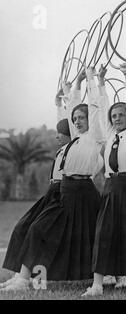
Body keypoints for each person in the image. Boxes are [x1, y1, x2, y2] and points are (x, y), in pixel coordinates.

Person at [0, 67, 104, 291]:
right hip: (66, 191)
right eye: (75, 119)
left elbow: (95, 108)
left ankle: (25, 279)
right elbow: (69, 115)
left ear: (91, 121)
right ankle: (23, 278)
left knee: (46, 231)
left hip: (82, 193)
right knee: (35, 230)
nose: (76, 121)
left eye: (81, 118)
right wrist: (75, 86)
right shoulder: (75, 140)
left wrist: (92, 81)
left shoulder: (95, 137)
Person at [81, 63, 126, 296]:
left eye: (121, 115)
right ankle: (97, 284)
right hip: (112, 187)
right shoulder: (109, 134)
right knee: (105, 233)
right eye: (115, 116)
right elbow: (100, 107)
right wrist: (98, 82)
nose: (117, 118)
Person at [0, 88, 72, 289]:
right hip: (50, 194)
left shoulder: (75, 146)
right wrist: (59, 104)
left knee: (36, 230)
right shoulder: (61, 150)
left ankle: (24, 279)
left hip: (62, 195)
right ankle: (18, 275)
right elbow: (65, 121)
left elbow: (71, 126)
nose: (57, 136)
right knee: (22, 227)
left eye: (61, 133)